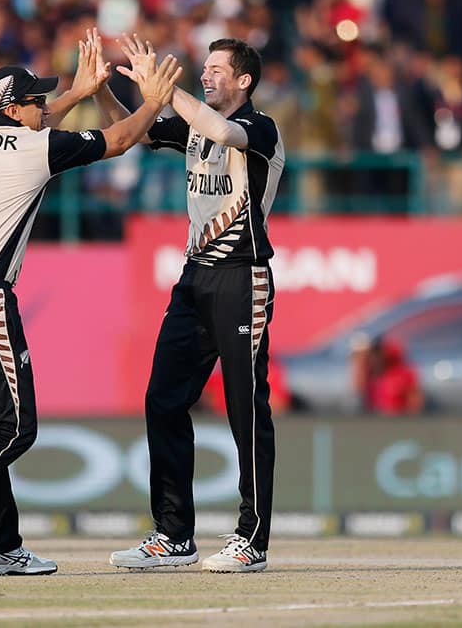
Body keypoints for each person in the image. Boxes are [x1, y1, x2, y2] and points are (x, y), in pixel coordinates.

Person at [0, 31, 181, 575]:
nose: (46, 106)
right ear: (13, 108)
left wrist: (77, 92)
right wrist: (154, 105)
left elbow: (29, 128)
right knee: (15, 428)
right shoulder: (30, 147)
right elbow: (116, 141)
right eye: (36, 100)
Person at [104, 34, 284, 573]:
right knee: (162, 399)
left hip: (241, 277)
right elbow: (131, 131)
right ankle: (174, 535)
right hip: (193, 280)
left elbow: (221, 130)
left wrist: (167, 89)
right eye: (201, 70)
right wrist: (103, 91)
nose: (205, 76)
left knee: (244, 409)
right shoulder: (190, 122)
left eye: (215, 70)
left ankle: (250, 539)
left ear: (243, 80)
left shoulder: (260, 127)